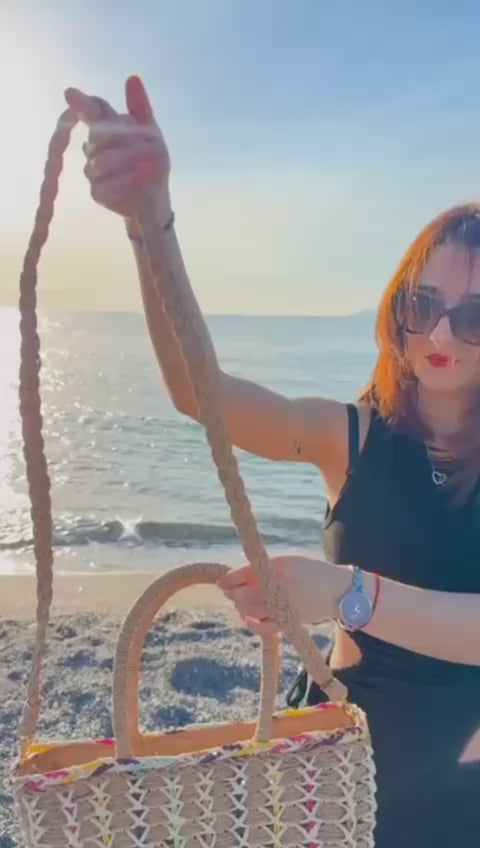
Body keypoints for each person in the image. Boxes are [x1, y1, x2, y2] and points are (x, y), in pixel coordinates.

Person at [65, 79, 480, 846]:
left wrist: (349, 592)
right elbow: (203, 394)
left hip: (465, 782)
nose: (440, 333)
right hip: (341, 758)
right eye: (421, 305)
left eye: (474, 314)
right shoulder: (350, 435)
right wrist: (151, 226)